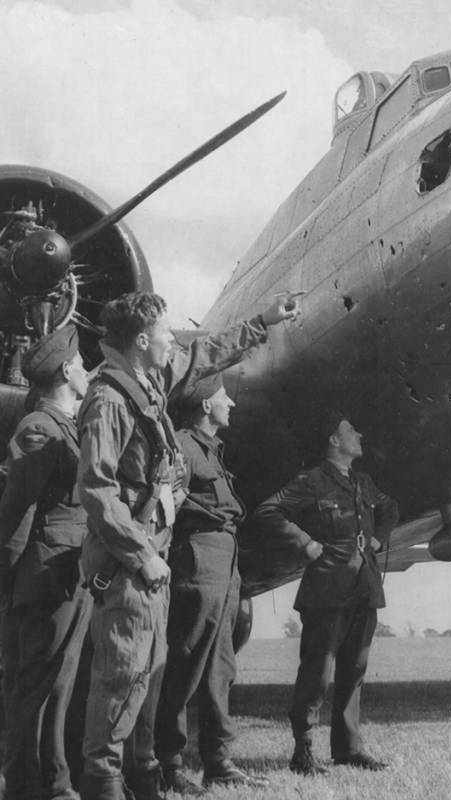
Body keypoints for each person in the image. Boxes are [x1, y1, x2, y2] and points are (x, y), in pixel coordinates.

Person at [76, 290, 300, 800]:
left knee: (149, 676)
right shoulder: (110, 399)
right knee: (121, 676)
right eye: (163, 335)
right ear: (140, 341)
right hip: (128, 561)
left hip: (150, 560)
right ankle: (102, 785)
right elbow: (96, 489)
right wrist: (143, 554)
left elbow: (203, 353)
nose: (172, 341)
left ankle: (143, 777)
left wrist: (263, 322)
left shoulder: (147, 381)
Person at [252, 412, 398, 777]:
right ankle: (303, 751)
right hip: (327, 589)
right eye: (351, 430)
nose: (359, 433)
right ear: (334, 440)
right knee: (318, 672)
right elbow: (268, 511)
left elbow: (390, 507)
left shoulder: (363, 483)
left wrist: (379, 536)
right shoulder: (312, 481)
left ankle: (348, 749)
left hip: (364, 586)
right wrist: (306, 544)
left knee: (356, 669)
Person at [152, 373, 269, 794]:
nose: (231, 404)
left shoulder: (211, 450)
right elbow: (163, 503)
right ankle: (166, 762)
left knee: (220, 668)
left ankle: (218, 760)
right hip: (198, 564)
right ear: (204, 406)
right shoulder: (182, 445)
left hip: (223, 563)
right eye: (223, 398)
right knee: (184, 665)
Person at [0, 326, 91, 800]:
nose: (87, 371)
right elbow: (18, 509)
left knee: (58, 684)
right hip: (46, 575)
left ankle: (54, 784)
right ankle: (25, 787)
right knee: (36, 687)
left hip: (68, 572)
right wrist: (11, 585)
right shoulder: (39, 428)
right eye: (80, 364)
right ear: (65, 372)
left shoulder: (67, 426)